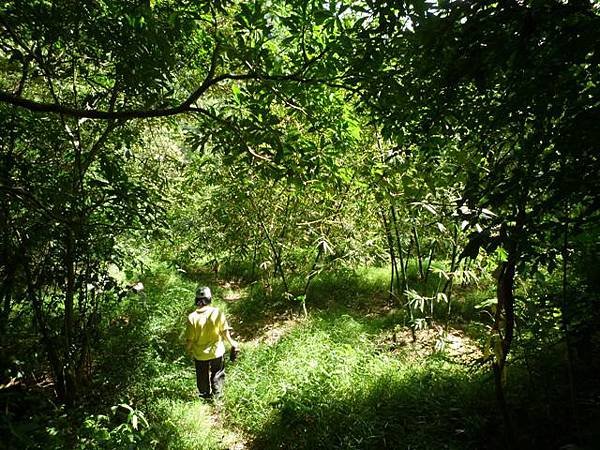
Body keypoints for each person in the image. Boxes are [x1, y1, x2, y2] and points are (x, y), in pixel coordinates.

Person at [184, 286, 238, 400]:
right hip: (216, 352)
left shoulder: (192, 317)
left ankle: (204, 395)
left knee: (202, 374)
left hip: (200, 354)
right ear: (209, 299)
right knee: (217, 373)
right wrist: (232, 343)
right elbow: (224, 332)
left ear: (196, 300)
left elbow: (190, 339)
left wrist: (187, 351)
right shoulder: (216, 313)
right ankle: (217, 396)